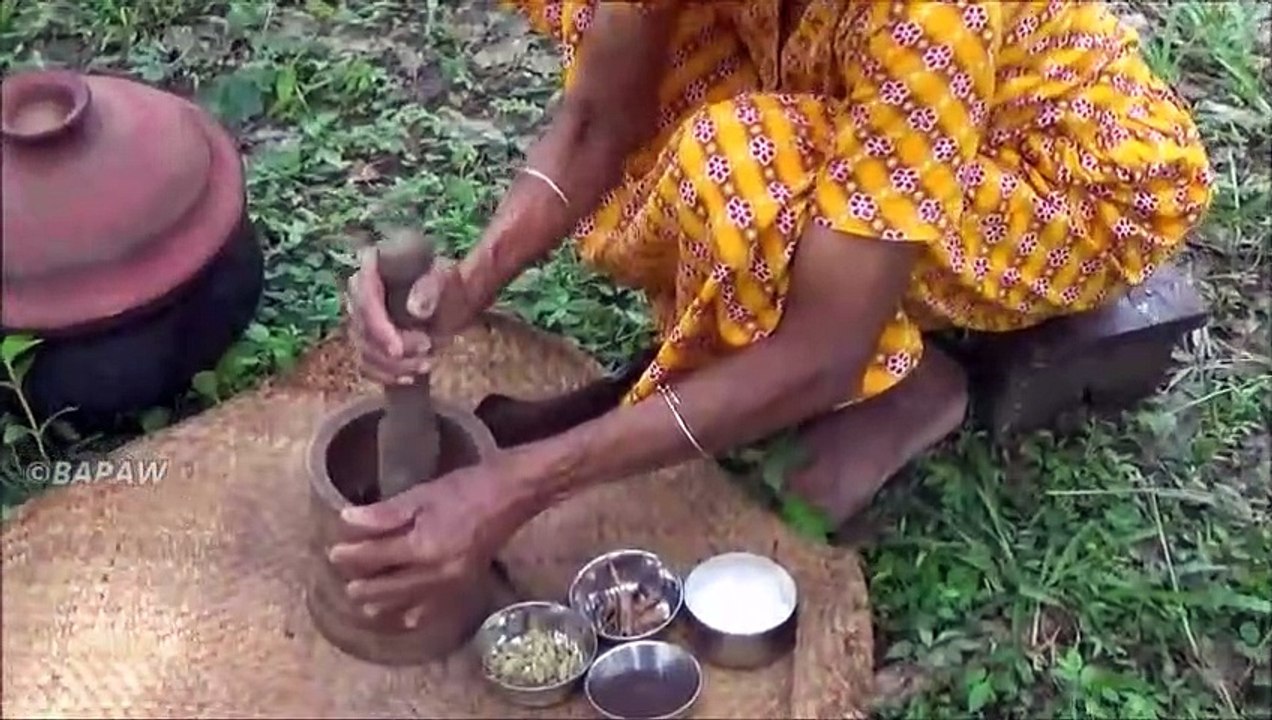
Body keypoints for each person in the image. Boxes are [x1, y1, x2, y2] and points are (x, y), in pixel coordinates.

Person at [331, 0, 1212, 623]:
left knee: (740, 166)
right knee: (669, 56)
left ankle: (907, 383)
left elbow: (823, 349)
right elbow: (602, 116)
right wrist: (472, 282)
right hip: (871, 102)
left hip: (1068, 184)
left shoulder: (931, 18)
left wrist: (520, 484)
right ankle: (857, 335)